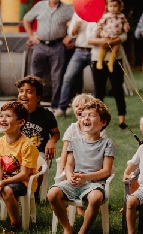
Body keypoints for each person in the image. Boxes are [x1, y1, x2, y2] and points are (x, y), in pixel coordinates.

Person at [47, 99, 114, 234]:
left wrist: (86, 177)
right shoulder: (74, 141)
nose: (85, 118)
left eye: (91, 115)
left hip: (94, 184)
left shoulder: (107, 144)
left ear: (103, 122)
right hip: (75, 181)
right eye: (83, 116)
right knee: (52, 194)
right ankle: (67, 228)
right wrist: (70, 175)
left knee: (95, 198)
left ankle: (83, 231)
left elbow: (106, 170)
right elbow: (69, 164)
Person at [0, 101, 39, 232]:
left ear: (21, 122)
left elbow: (24, 174)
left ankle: (16, 224)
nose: (3, 119)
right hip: (5, 179)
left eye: (8, 116)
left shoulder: (27, 145)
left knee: (7, 190)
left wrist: (3, 182)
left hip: (23, 182)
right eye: (1, 116)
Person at [23, 0, 74, 111]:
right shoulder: (40, 5)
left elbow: (79, 21)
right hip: (39, 45)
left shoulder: (68, 9)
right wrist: (31, 36)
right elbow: (26, 19)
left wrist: (71, 36)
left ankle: (55, 106)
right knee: (35, 77)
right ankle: (34, 106)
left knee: (57, 77)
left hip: (58, 45)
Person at [54, 0, 101, 117]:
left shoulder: (100, 11)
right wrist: (75, 29)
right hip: (80, 51)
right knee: (68, 77)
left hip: (95, 51)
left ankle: (96, 110)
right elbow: (71, 33)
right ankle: (61, 108)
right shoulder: (78, 11)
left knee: (96, 83)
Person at [58, 93, 107, 216]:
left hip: (91, 165)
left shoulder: (99, 129)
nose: (79, 108)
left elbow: (100, 153)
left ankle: (89, 202)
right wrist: (62, 172)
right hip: (73, 164)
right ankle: (75, 207)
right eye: (76, 106)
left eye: (83, 106)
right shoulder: (72, 129)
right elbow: (65, 152)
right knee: (65, 177)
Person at [15, 75, 60, 200]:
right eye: (21, 91)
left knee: (38, 161)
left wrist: (51, 141)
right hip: (17, 151)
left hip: (38, 151)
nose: (24, 94)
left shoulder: (46, 115)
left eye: (29, 92)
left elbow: (56, 133)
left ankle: (32, 192)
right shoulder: (14, 113)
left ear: (38, 97)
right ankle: (15, 187)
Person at [87, 18, 128, 129]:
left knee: (118, 89)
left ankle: (122, 120)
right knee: (99, 90)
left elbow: (124, 35)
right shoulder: (93, 21)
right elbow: (88, 40)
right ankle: (98, 119)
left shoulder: (116, 18)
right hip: (97, 59)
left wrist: (113, 41)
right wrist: (103, 42)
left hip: (115, 59)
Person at [96, 0, 130, 73]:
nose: (113, 8)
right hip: (107, 34)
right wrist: (98, 31)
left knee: (116, 47)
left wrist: (126, 26)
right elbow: (101, 24)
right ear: (107, 7)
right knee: (104, 46)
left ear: (119, 7)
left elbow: (125, 22)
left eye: (115, 6)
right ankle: (100, 61)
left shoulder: (121, 16)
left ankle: (110, 62)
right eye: (111, 6)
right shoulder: (106, 16)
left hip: (116, 35)